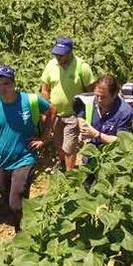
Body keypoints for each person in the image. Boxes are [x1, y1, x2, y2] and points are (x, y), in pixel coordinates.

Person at [0, 66, 54, 230]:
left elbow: (51, 110)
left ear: (14, 83)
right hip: (1, 159)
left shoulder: (29, 100)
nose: (2, 88)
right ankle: (25, 218)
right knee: (6, 194)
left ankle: (25, 231)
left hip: (25, 157)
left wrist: (44, 138)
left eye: (6, 83)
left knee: (15, 201)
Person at [39, 37, 95, 172]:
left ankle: (70, 177)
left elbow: (91, 92)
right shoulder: (51, 65)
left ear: (70, 52)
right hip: (56, 115)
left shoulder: (82, 67)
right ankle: (64, 165)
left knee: (69, 147)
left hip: (74, 115)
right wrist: (46, 110)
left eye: (61, 54)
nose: (58, 57)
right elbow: (45, 89)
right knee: (58, 144)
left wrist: (86, 117)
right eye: (56, 54)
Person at [77, 75, 133, 148]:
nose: (99, 100)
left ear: (114, 95)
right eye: (97, 95)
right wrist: (83, 131)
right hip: (91, 152)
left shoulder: (125, 112)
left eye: (103, 97)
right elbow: (81, 116)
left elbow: (124, 141)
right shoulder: (90, 102)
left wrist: (97, 135)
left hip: (112, 156)